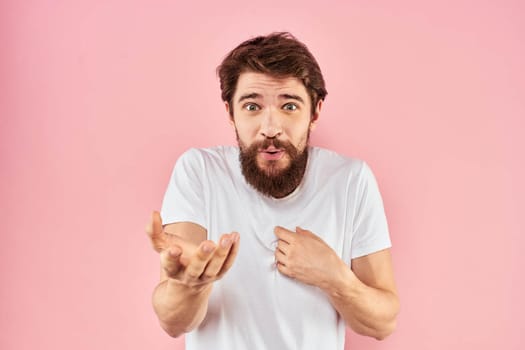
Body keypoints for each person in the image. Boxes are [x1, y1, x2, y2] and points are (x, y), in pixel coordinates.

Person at [146, 32, 399, 349]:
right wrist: (192, 286)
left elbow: (383, 322)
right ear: (230, 113)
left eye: (289, 106)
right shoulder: (199, 172)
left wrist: (335, 277)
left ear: (315, 112)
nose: (270, 128)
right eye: (252, 106)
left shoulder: (351, 180)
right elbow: (173, 322)